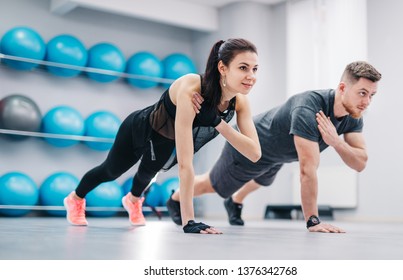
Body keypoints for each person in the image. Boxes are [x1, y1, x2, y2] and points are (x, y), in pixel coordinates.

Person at [63, 38, 261, 234]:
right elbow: (185, 163)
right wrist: (189, 222)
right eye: (243, 68)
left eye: (255, 69)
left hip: (165, 140)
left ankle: (132, 201)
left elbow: (254, 154)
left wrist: (218, 123)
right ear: (223, 68)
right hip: (140, 128)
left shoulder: (240, 102)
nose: (251, 76)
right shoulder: (192, 88)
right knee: (110, 171)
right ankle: (75, 198)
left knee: (146, 176)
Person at [167, 61, 382, 233]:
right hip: (250, 145)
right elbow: (307, 169)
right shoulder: (309, 108)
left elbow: (360, 162)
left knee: (263, 180)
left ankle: (235, 202)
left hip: (278, 154)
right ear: (343, 87)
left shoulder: (353, 113)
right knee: (213, 185)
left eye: (371, 95)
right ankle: (175, 198)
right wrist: (313, 221)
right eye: (362, 93)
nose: (367, 101)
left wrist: (335, 141)